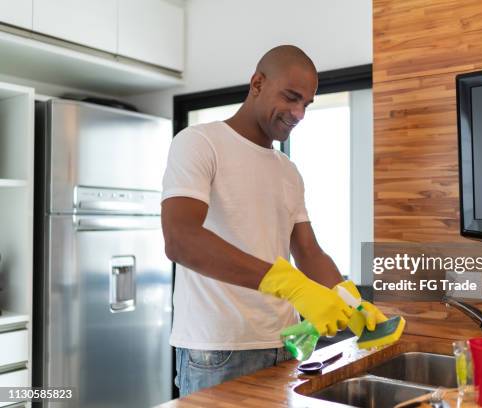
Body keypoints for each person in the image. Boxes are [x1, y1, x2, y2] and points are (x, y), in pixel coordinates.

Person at [161, 45, 387, 396]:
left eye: (307, 104)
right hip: (219, 349)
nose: (298, 113)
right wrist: (292, 285)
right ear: (257, 83)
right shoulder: (200, 143)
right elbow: (180, 238)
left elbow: (308, 251)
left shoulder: (287, 170)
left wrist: (349, 299)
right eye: (291, 97)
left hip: (286, 344)